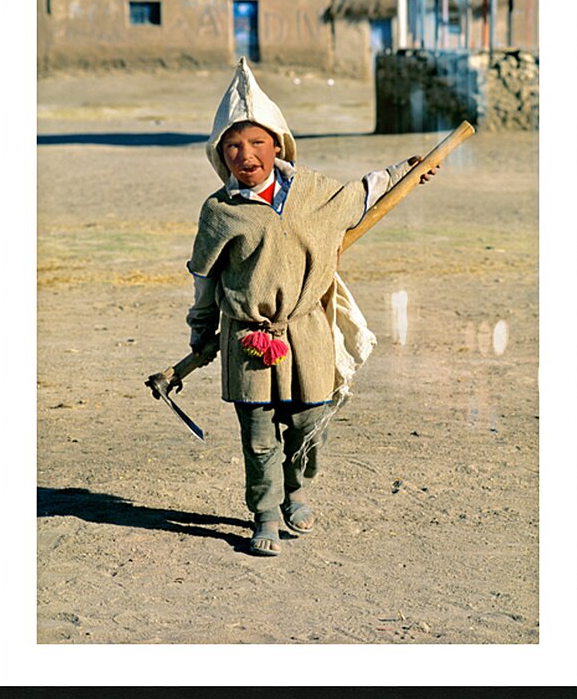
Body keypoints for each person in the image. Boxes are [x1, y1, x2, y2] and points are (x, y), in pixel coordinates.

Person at [186, 58, 436, 556]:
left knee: (308, 424)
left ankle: (296, 492)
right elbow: (204, 281)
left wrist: (409, 171)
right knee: (258, 435)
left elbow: (365, 192)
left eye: (257, 142)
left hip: (306, 332)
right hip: (247, 336)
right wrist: (201, 333)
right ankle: (264, 515)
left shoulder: (315, 192)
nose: (246, 154)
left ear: (277, 145)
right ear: (221, 153)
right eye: (233, 145)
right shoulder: (219, 211)